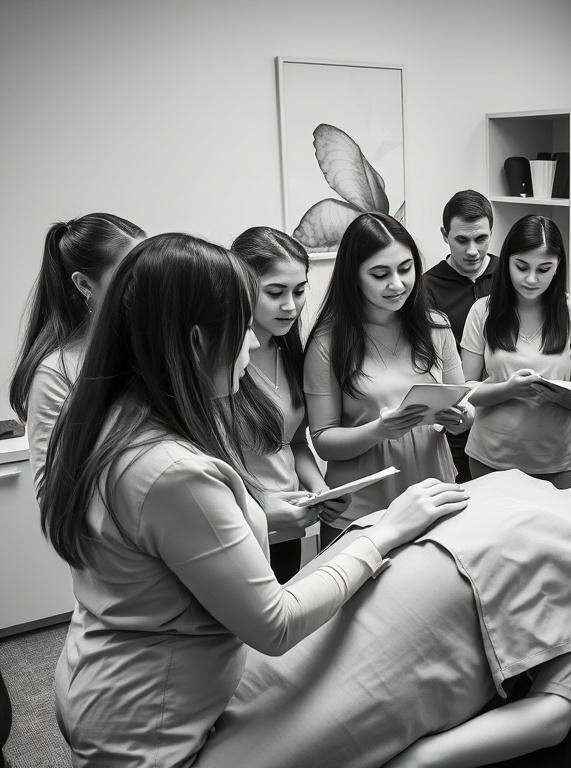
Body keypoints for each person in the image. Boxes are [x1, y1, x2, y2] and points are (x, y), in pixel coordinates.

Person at [40, 233, 468, 767]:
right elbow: (276, 624)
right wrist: (384, 532)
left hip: (107, 674)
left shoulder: (113, 419)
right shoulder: (172, 470)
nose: (252, 345)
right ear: (198, 341)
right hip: (148, 721)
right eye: (244, 328)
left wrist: (268, 512)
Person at [194, 406, 571, 768]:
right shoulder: (512, 478)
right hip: (329, 598)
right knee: (203, 706)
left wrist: (420, 760)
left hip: (391, 670)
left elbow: (553, 713)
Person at [304, 212, 470, 547]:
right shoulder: (328, 342)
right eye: (380, 274)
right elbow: (323, 439)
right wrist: (380, 430)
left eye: (405, 269)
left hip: (434, 496)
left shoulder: (436, 327)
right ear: (354, 277)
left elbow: (465, 407)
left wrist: (460, 419)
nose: (397, 284)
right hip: (362, 512)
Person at [230, 226, 342, 582]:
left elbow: (293, 443)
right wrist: (260, 503)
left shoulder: (292, 353)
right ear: (242, 287)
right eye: (275, 293)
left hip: (290, 525)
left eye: (299, 291)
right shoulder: (223, 365)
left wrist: (319, 489)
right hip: (240, 525)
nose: (291, 306)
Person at [8, 213, 145, 497]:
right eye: (129, 274)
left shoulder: (143, 344)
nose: (145, 283)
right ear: (84, 285)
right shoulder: (55, 373)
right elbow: (52, 494)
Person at [461, 215, 571, 488]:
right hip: (490, 459)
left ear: (558, 267)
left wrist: (558, 392)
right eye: (521, 267)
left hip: (557, 463)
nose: (532, 279)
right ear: (507, 262)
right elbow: (465, 391)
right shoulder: (482, 311)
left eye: (544, 269)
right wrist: (508, 389)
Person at [422, 190, 497, 481]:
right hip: (454, 423)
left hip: (507, 417)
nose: (473, 251)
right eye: (462, 240)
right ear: (445, 235)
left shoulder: (509, 275)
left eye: (481, 239)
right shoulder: (426, 287)